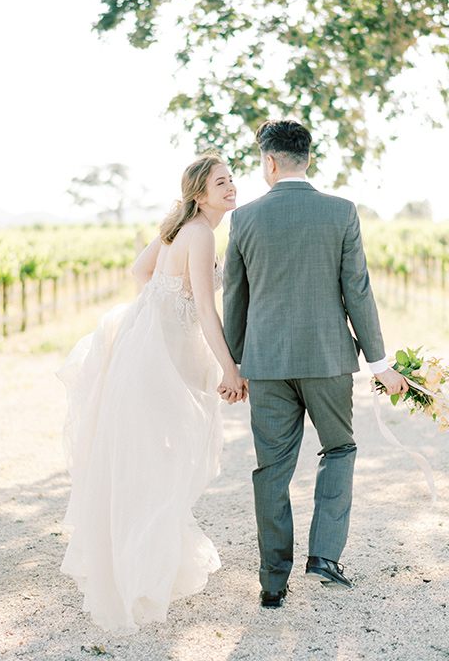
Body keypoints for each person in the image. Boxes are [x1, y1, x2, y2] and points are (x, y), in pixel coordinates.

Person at [221, 120, 408, 608]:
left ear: (269, 161)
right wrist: (380, 364)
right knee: (340, 449)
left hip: (264, 366)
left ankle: (272, 580)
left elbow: (234, 303)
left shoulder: (242, 220)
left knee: (272, 470)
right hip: (328, 360)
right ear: (307, 158)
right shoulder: (341, 212)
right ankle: (324, 556)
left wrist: (235, 366)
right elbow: (358, 292)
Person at [56, 154, 246, 635]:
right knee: (162, 464)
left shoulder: (179, 228)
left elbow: (140, 272)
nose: (231, 186)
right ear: (200, 193)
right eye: (220, 181)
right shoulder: (200, 233)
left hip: (148, 353)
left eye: (232, 179)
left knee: (151, 460)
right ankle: (137, 572)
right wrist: (229, 367)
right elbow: (205, 306)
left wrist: (162, 308)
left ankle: (142, 562)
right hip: (157, 364)